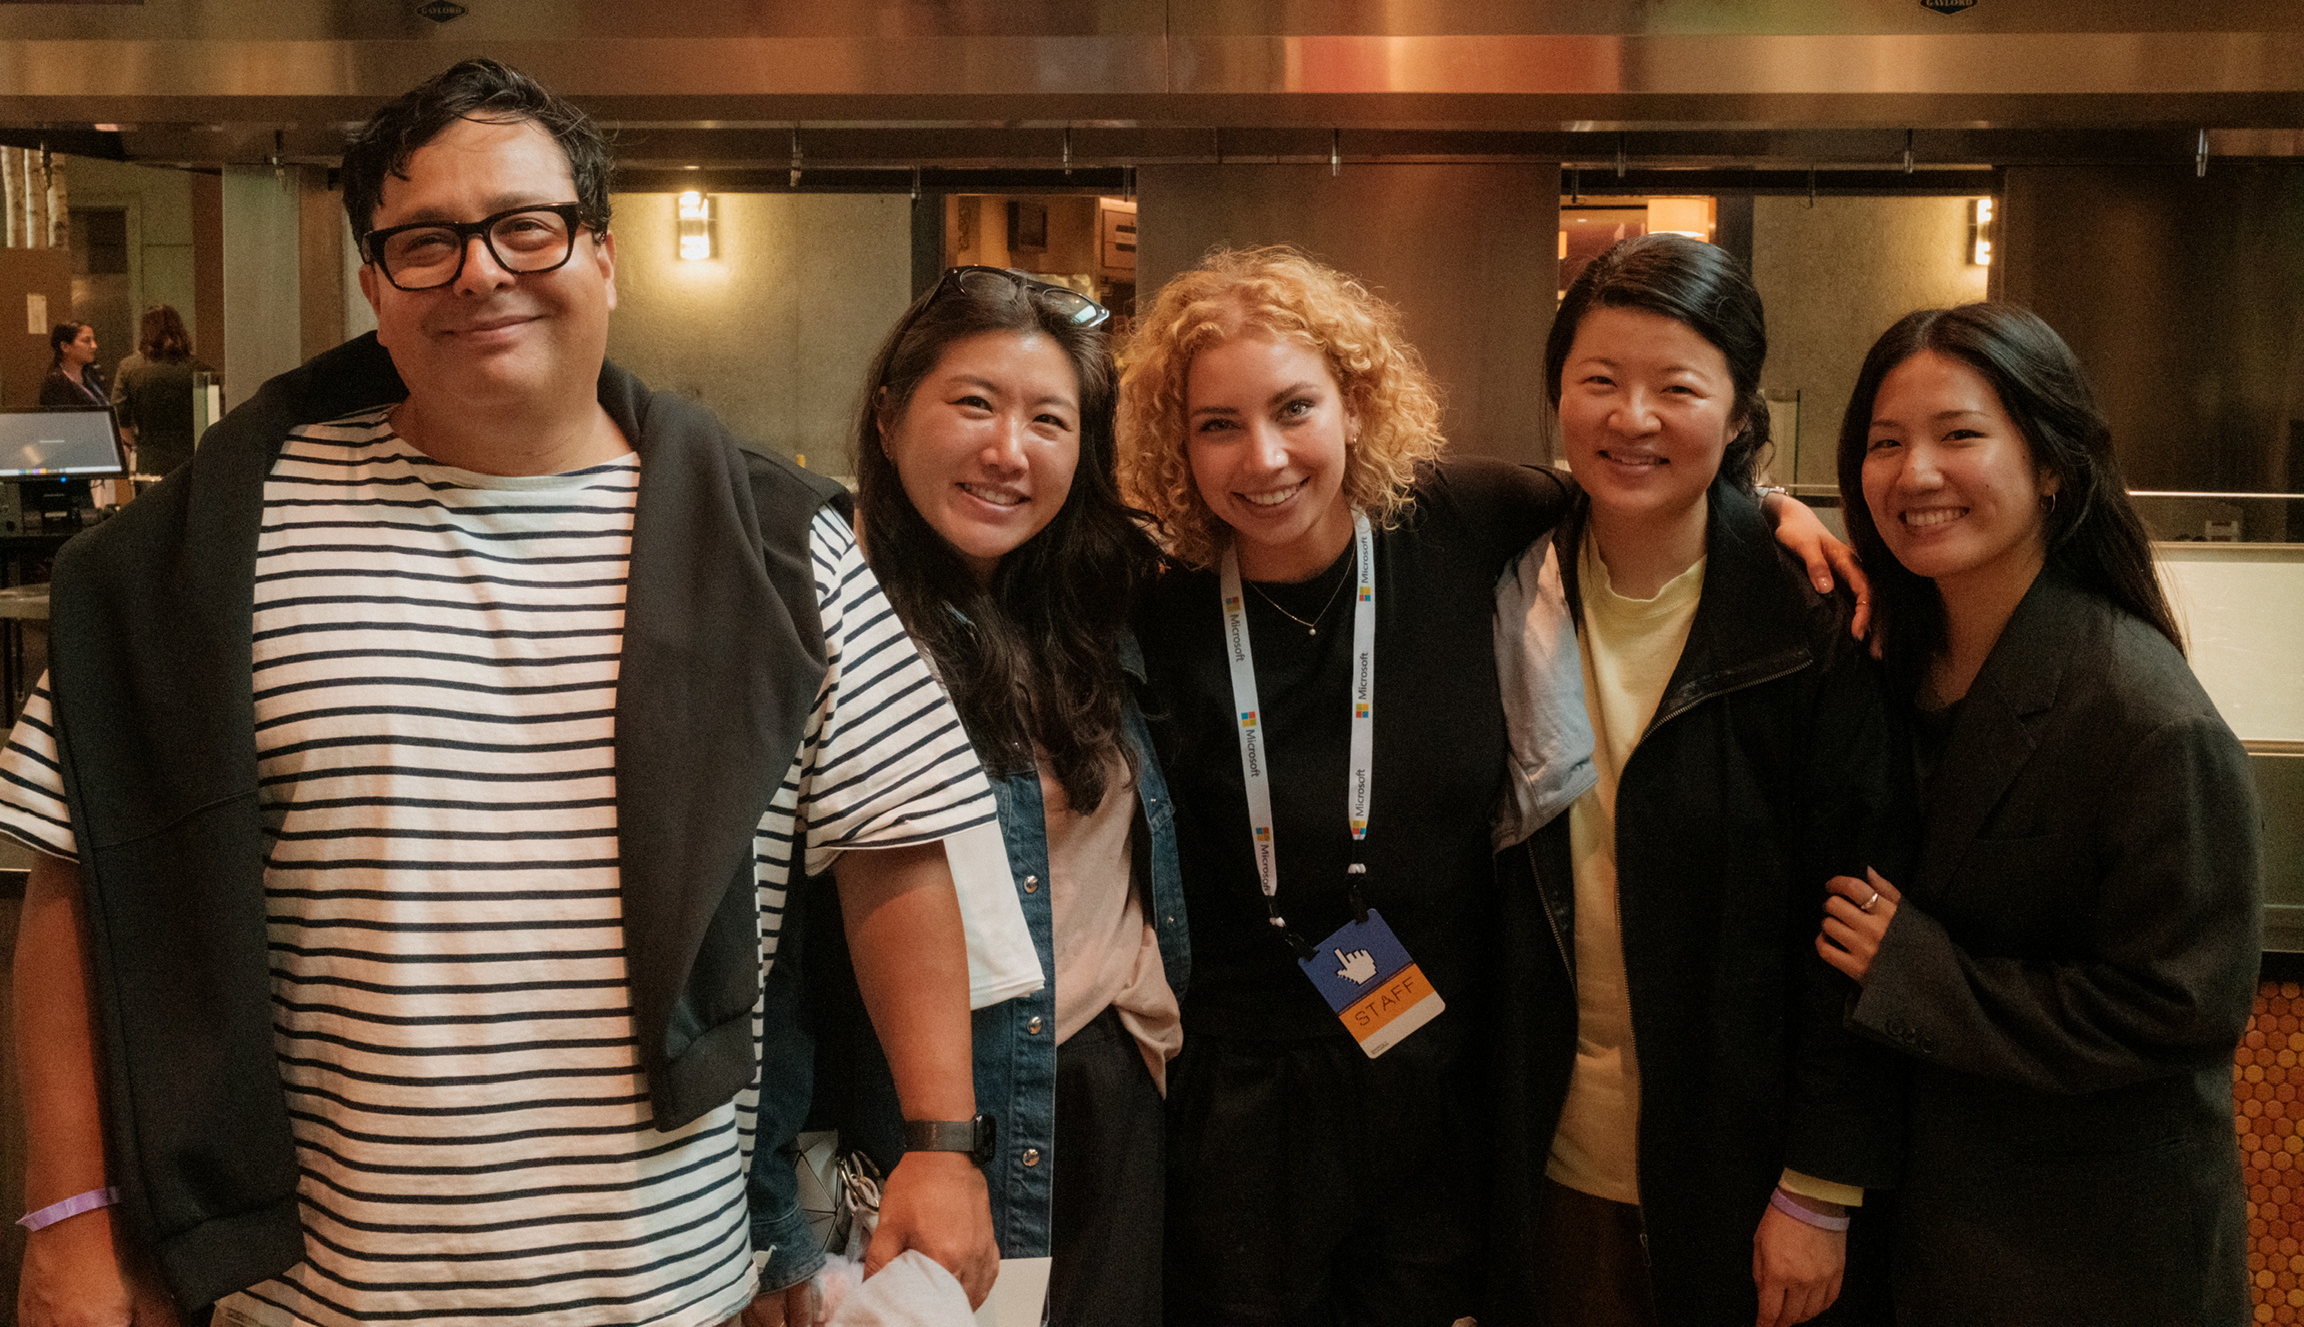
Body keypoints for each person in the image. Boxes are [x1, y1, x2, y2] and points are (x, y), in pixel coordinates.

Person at [2, 58, 998, 1327]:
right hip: (312, 1294)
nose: (480, 272)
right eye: (424, 241)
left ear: (604, 251)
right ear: (373, 282)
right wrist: (68, 1216)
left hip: (661, 1285)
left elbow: (890, 845)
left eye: (525, 226)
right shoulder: (213, 546)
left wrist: (939, 1136)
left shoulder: (772, 542)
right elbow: (79, 876)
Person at [1115, 244, 1858, 1326]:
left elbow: (1638, 484)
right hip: (1239, 1099)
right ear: (1176, 445)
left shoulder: (1461, 523)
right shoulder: (1156, 606)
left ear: (1357, 405)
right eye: (1216, 425)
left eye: (1294, 408)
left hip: (1441, 1081)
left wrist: (1774, 512)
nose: (1263, 457)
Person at [1484, 235, 1904, 1327]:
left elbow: (1854, 920)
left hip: (1746, 1178)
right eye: (1599, 383)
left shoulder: (1809, 621)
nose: (1632, 419)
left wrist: (1820, 1186)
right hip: (1545, 1165)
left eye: (1677, 387)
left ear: (1736, 408)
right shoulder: (1500, 588)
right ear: (1557, 397)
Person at [1816, 301, 2260, 1326]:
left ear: (2054, 467)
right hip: (1933, 1237)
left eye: (1960, 435)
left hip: (2092, 1259)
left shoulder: (2144, 716)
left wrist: (1920, 973)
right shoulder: (1890, 657)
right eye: (1886, 443)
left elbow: (2182, 1010)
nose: (1915, 473)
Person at [785, 265, 1188, 1327]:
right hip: (914, 1118)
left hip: (1111, 1084)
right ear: (886, 413)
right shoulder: (820, 612)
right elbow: (762, 946)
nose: (1010, 451)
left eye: (1049, 420)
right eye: (974, 404)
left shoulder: (1091, 604)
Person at [112, 305, 217, 478]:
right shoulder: (200, 369)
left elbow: (119, 414)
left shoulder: (129, 367)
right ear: (179, 329)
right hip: (192, 458)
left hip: (149, 459)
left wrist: (134, 445)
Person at [38, 320, 107, 407]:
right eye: (86, 340)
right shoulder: (56, 382)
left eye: (93, 340)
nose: (94, 346)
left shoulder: (92, 374)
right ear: (65, 347)